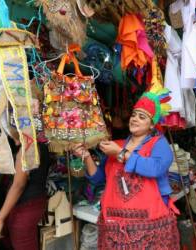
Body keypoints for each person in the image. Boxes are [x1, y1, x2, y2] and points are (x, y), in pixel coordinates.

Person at [73, 85, 180, 249]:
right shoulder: (117, 144)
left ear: (152, 125)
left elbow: (155, 168)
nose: (135, 119)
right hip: (114, 225)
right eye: (134, 114)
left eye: (142, 117)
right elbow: (99, 179)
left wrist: (121, 154)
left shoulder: (159, 144)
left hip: (149, 226)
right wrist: (86, 156)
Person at [0, 140, 51, 250]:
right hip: (34, 201)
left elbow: (19, 185)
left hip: (26, 206)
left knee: (23, 244)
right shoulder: (39, 145)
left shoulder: (27, 148)